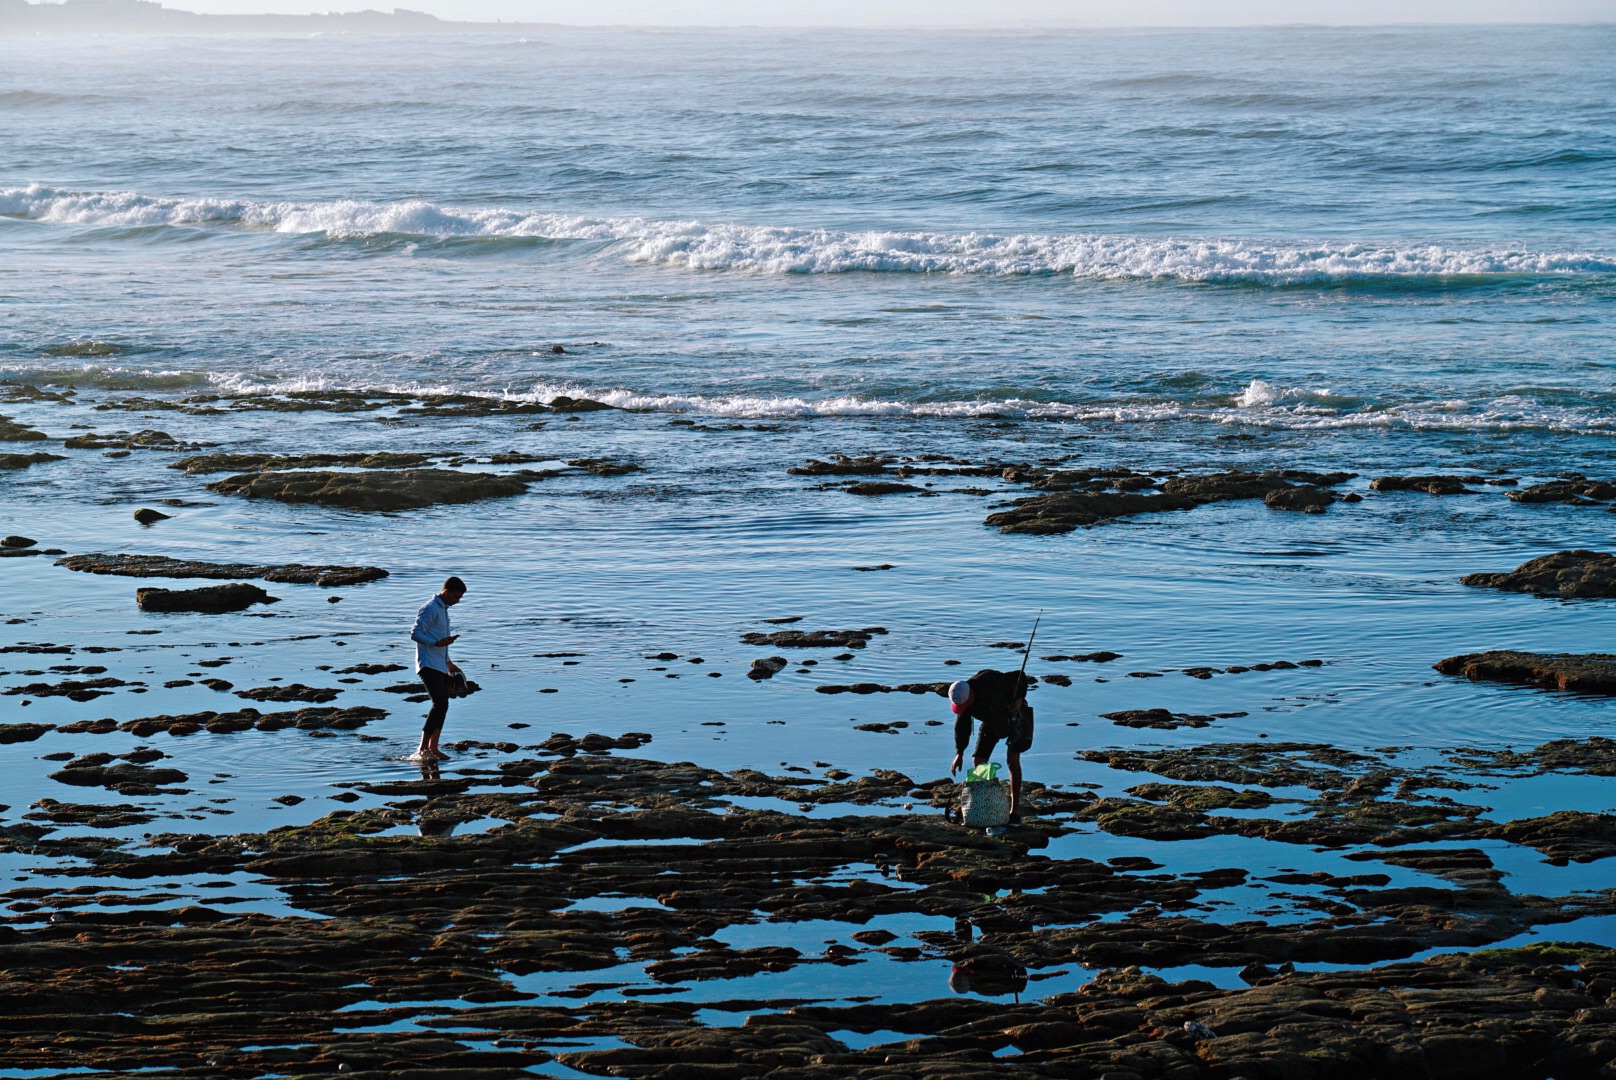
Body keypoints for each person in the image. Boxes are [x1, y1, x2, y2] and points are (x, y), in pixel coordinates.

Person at [948, 668, 1034, 823]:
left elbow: (1019, 676)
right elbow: (962, 727)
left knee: (1012, 760)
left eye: (966, 705)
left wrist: (1018, 701)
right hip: (992, 722)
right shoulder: (964, 701)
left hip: (1016, 717)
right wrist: (959, 753)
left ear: (971, 694)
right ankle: (984, 806)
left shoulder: (989, 679)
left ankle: (1014, 811)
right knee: (979, 761)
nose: (965, 709)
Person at [409, 575, 466, 761]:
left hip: (439, 664)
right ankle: (423, 748)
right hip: (427, 664)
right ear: (446, 592)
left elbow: (441, 641)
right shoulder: (430, 608)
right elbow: (415, 634)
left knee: (443, 705)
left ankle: (433, 747)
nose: (457, 601)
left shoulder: (444, 610)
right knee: (439, 704)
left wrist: (448, 662)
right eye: (456, 597)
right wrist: (436, 643)